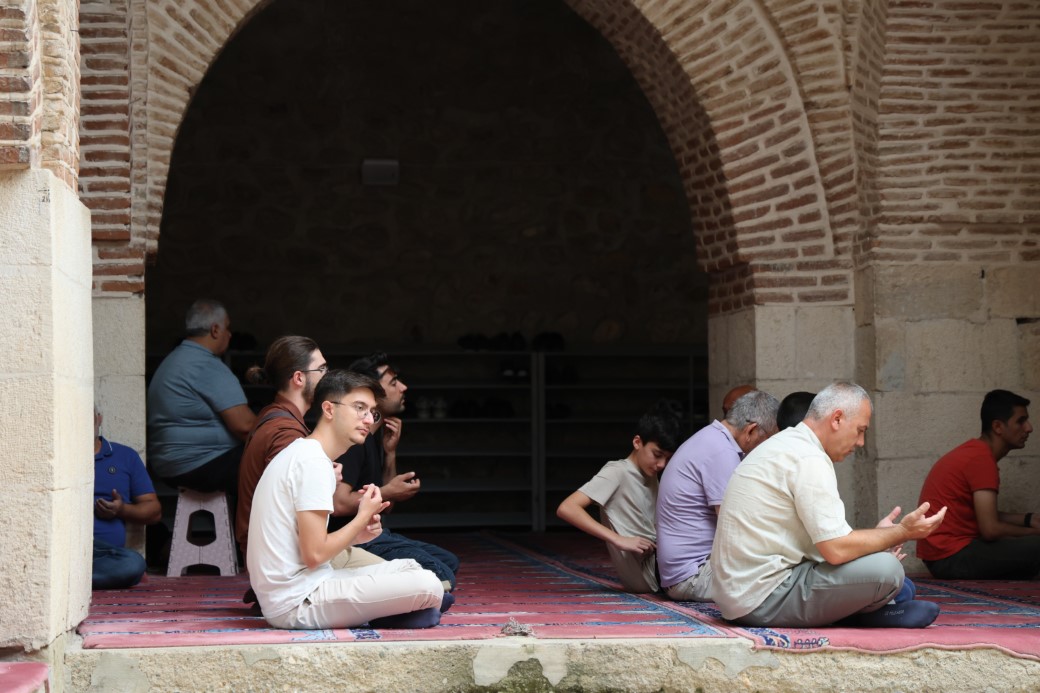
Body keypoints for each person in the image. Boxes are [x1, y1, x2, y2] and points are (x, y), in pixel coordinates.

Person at [711, 382, 946, 629]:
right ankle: (867, 615)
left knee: (901, 586)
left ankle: (868, 609)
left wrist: (880, 538)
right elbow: (836, 550)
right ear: (836, 419)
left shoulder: (787, 444)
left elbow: (825, 543)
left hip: (739, 595)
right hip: (762, 598)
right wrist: (902, 532)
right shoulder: (809, 457)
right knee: (888, 572)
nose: (861, 442)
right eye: (860, 430)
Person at [248, 369, 449, 630]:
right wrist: (364, 515)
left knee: (409, 567)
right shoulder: (312, 463)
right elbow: (315, 554)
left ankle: (403, 611)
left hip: (309, 584)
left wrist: (357, 535)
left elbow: (305, 547)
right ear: (329, 409)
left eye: (372, 412)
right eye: (359, 408)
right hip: (297, 602)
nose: (368, 419)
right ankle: (405, 610)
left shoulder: (306, 453)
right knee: (429, 585)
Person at [236, 336, 383, 569]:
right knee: (429, 570)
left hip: (280, 551)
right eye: (322, 368)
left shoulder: (275, 416)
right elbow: (288, 505)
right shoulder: (286, 432)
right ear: (298, 378)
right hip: (282, 558)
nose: (328, 375)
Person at [331, 353, 460, 591]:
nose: (403, 387)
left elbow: (386, 505)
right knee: (441, 574)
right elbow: (339, 504)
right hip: (351, 541)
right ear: (371, 391)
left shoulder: (373, 438)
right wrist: (388, 490)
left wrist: (390, 453)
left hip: (375, 534)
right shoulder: (354, 439)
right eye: (393, 382)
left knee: (449, 562)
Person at [656, 390, 780, 601]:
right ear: (751, 430)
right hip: (693, 575)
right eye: (767, 440)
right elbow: (734, 526)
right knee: (786, 578)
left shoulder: (711, 438)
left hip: (683, 571)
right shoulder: (722, 452)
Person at [555, 400, 685, 593]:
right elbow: (567, 508)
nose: (661, 464)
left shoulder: (650, 474)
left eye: (667, 458)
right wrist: (618, 539)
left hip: (658, 562)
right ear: (637, 442)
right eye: (657, 454)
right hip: (647, 572)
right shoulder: (617, 471)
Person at [917, 389, 1039, 579]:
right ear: (998, 427)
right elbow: (990, 529)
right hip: (951, 557)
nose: (1029, 428)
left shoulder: (976, 453)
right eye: (1021, 421)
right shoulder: (981, 460)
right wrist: (1033, 532)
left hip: (943, 555)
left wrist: (1028, 519)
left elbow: (983, 516)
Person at [146, 299, 256, 495]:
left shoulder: (174, 359)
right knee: (275, 463)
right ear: (215, 330)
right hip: (199, 464)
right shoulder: (205, 365)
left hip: (167, 464)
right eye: (227, 328)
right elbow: (245, 427)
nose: (230, 334)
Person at [93, 406, 162, 589]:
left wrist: (121, 510)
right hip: (64, 548)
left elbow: (154, 511)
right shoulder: (56, 454)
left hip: (105, 555)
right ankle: (73, 580)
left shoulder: (125, 456)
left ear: (99, 419)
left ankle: (67, 582)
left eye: (88, 416)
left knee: (133, 564)